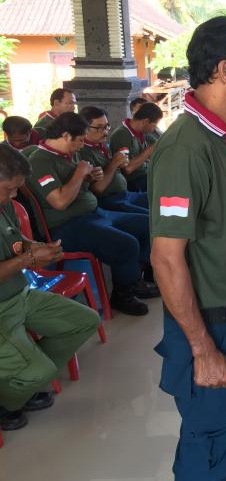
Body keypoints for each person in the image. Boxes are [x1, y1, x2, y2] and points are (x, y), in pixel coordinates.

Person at [149, 15, 226, 481]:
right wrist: (203, 348)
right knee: (208, 446)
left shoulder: (221, 138)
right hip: (208, 327)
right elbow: (166, 257)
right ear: (223, 71)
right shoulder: (186, 148)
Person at [0, 143, 100, 433]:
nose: (14, 196)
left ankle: (26, 381)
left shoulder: (3, 204)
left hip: (21, 294)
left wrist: (37, 248)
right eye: (9, 188)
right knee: (39, 372)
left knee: (84, 321)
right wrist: (29, 259)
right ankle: (8, 403)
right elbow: (21, 257)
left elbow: (15, 239)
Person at [26, 112, 156, 317]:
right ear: (67, 136)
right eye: (79, 140)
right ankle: (123, 295)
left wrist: (88, 177)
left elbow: (77, 185)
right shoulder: (41, 161)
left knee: (147, 223)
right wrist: (79, 174)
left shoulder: (69, 153)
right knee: (126, 244)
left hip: (94, 213)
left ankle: (136, 277)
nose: (82, 144)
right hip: (67, 226)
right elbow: (59, 202)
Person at [78, 106, 149, 215]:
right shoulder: (82, 152)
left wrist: (120, 164)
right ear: (84, 128)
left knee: (161, 201)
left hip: (125, 195)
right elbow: (97, 190)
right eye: (99, 127)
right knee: (152, 218)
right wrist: (114, 163)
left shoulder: (101, 145)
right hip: (109, 201)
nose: (105, 131)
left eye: (107, 126)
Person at [109, 103, 163, 192]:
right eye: (154, 125)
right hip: (134, 181)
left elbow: (160, 145)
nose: (154, 128)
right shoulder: (122, 134)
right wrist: (148, 151)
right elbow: (127, 169)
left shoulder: (142, 133)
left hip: (146, 175)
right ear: (145, 121)